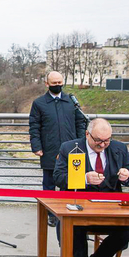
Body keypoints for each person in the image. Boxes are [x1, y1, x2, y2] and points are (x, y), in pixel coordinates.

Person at [53, 118, 129, 257]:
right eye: (98, 140)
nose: (103, 145)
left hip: (110, 208)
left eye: (107, 140)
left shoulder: (119, 149)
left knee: (125, 233)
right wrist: (83, 179)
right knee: (75, 228)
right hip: (79, 206)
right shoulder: (69, 148)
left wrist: (127, 176)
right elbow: (59, 177)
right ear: (87, 134)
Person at [29, 71, 87, 225]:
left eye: (60, 82)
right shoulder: (39, 103)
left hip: (73, 149)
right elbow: (34, 127)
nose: (57, 85)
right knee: (49, 183)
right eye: (54, 83)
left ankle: (68, 212)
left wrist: (81, 143)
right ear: (47, 84)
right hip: (49, 149)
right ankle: (51, 214)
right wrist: (37, 146)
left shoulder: (71, 101)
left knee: (72, 182)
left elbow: (81, 123)